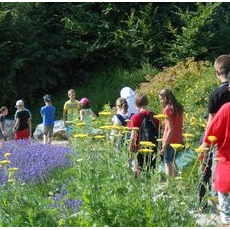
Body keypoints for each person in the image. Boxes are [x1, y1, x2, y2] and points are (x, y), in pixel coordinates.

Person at [199, 55, 230, 206]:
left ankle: (203, 201)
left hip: (217, 139)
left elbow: (211, 122)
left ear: (217, 73)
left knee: (207, 170)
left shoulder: (215, 95)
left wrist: (204, 144)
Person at [200, 102, 230, 227]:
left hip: (226, 171)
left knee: (227, 219)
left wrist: (202, 156)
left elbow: (210, 137)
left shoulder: (226, 109)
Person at [129, 94, 159, 175]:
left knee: (140, 171)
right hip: (153, 147)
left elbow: (133, 136)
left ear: (136, 104)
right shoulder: (155, 116)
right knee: (152, 170)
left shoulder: (135, 117)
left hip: (140, 148)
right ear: (147, 102)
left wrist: (130, 150)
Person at [158, 89, 183, 177]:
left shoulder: (167, 109)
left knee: (167, 162)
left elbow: (170, 128)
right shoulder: (179, 107)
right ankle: (177, 182)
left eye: (161, 99)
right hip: (178, 138)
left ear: (165, 98)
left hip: (170, 139)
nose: (160, 101)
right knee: (173, 161)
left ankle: (169, 184)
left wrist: (164, 144)